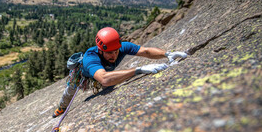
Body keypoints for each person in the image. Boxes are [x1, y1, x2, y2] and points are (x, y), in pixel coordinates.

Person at [53, 27, 187, 117]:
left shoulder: (121, 47)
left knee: (110, 87)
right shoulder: (90, 58)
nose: (114, 56)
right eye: (109, 53)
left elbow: (145, 51)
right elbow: (104, 78)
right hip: (83, 74)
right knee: (69, 91)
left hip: (102, 72)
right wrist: (138, 70)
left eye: (116, 51)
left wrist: (167, 54)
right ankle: (61, 108)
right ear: (100, 50)